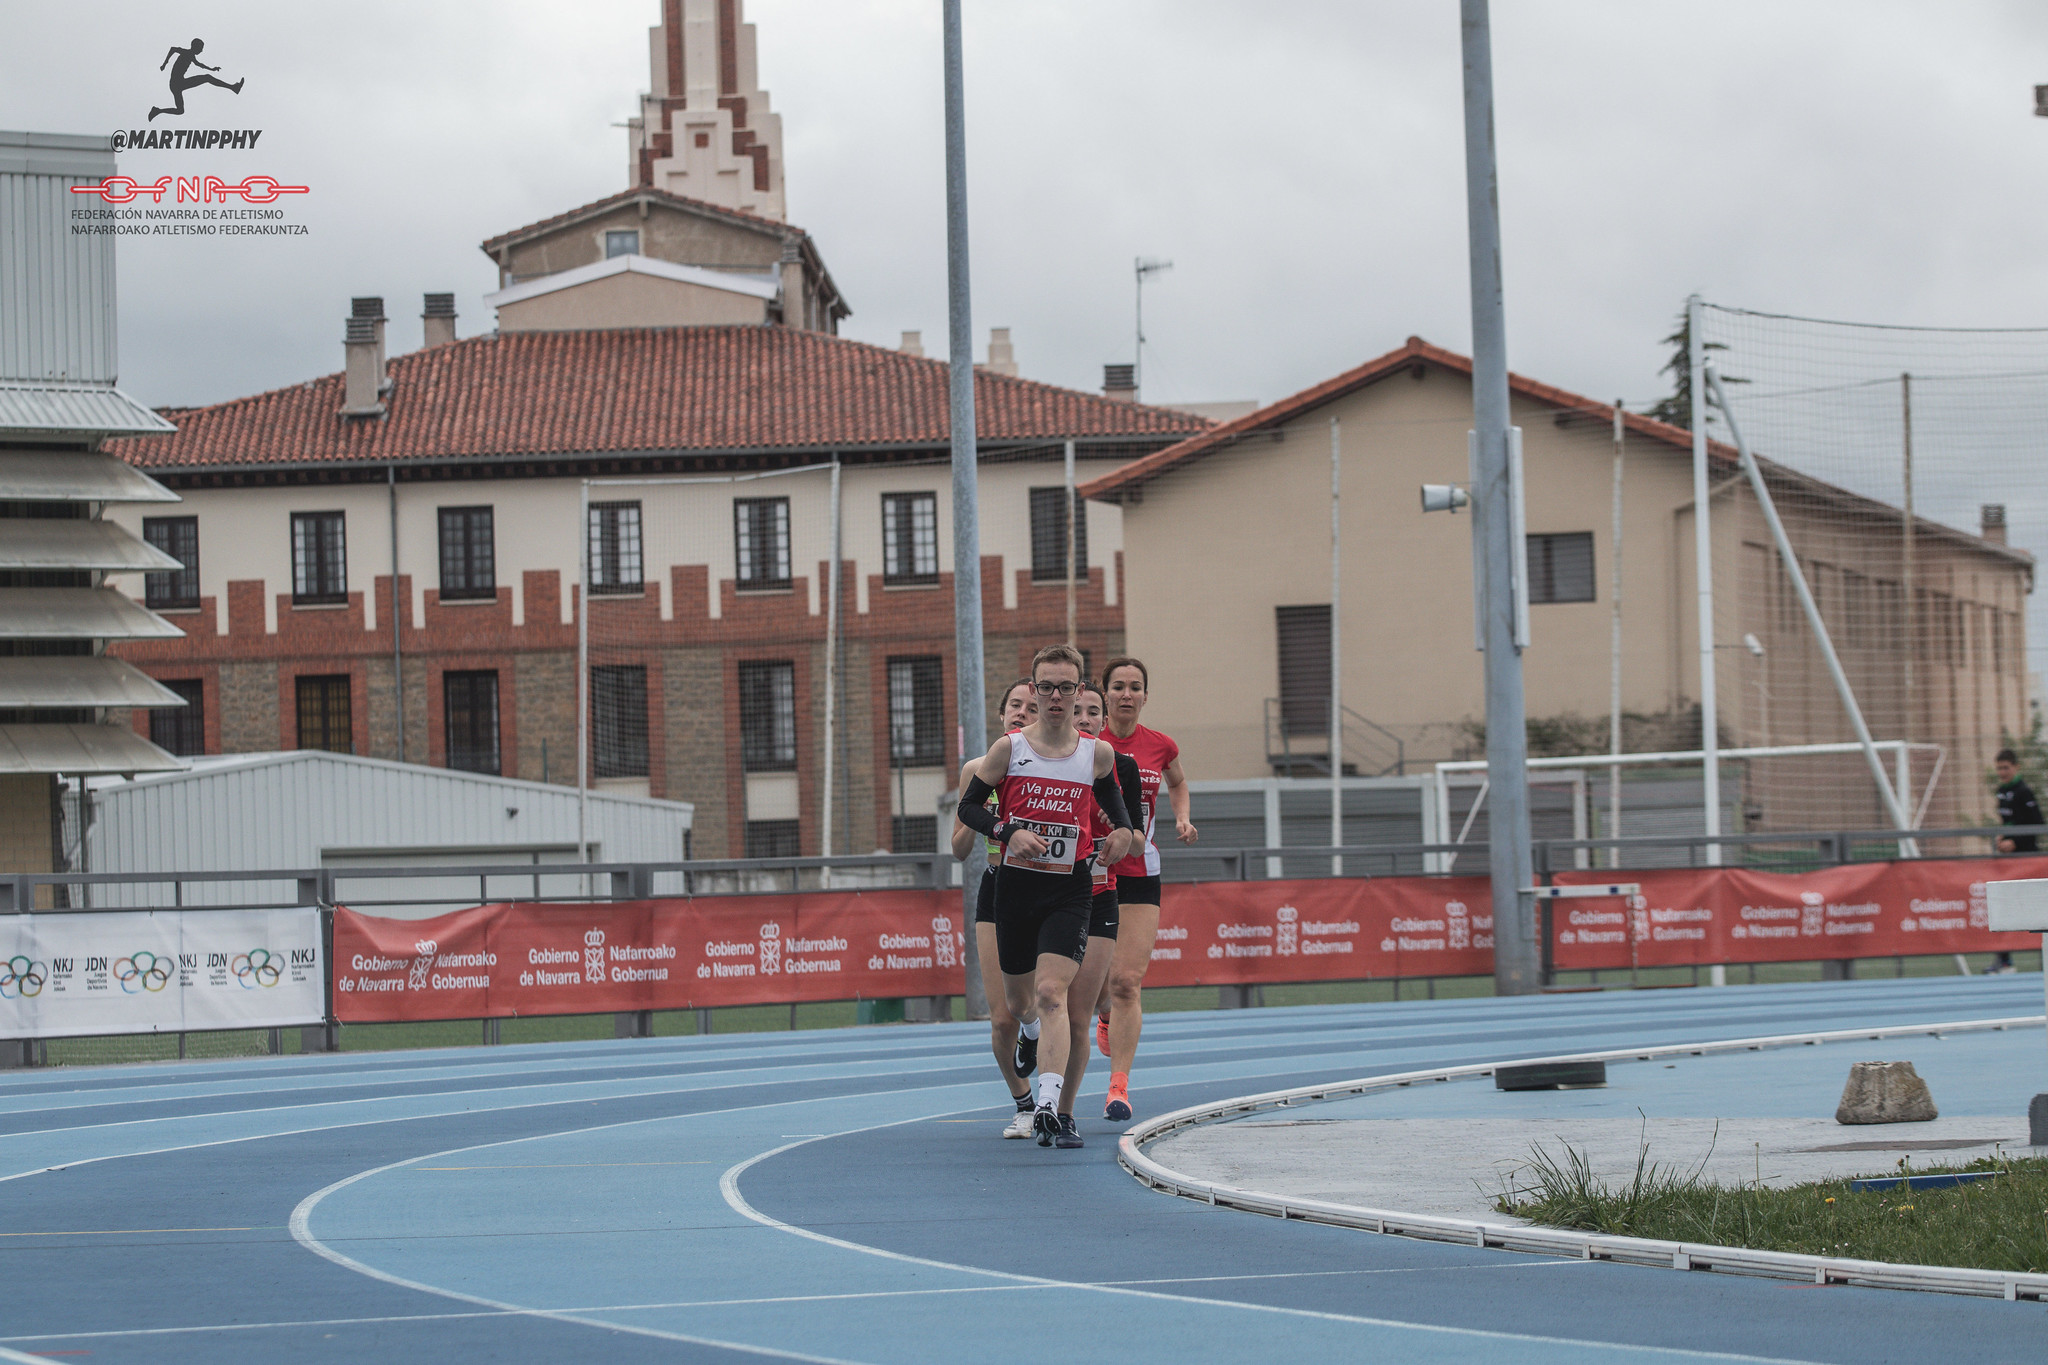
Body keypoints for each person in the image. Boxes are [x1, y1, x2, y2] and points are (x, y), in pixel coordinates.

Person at [956, 644, 1133, 1147]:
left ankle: (1051, 1107)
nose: (1057, 696)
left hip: (1068, 889)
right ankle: (1029, 1036)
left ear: (1079, 693)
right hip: (1014, 890)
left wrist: (1120, 835)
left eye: (1067, 687)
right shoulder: (1009, 750)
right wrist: (1008, 830)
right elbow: (969, 809)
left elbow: (1120, 817)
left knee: (1053, 993)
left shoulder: (1095, 754)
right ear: (1035, 691)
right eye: (1048, 687)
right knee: (1019, 1004)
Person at [1094, 656, 1196, 1123]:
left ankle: (1119, 1087)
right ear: (1105, 693)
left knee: (1126, 982)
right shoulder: (1087, 743)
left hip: (1140, 871)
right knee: (1094, 984)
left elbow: (1176, 780)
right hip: (1090, 871)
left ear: (1146, 696)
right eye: (1119, 687)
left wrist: (1181, 816)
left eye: (1136, 687)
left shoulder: (1160, 745)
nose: (1127, 694)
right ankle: (1103, 1015)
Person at [1046, 681, 1143, 1146]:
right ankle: (1040, 1098)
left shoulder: (1118, 765)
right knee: (1042, 1003)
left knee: (1075, 1012)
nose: (1083, 719)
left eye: (1092, 713)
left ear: (1104, 722)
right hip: (1048, 894)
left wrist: (1117, 830)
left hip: (1101, 891)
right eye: (1077, 711)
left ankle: (1062, 1113)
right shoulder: (1042, 759)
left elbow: (1136, 839)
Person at [948, 678, 1038, 1137]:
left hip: (1047, 888)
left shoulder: (1052, 768)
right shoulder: (978, 769)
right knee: (1001, 1017)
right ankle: (1024, 1103)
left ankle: (1054, 1090)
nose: (1021, 713)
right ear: (1002, 715)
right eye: (1014, 706)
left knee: (1047, 1001)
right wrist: (980, 815)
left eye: (1031, 708)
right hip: (997, 887)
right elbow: (959, 850)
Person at [1991, 747, 2039, 972]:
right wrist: (2002, 838)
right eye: (1999, 768)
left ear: (2016, 767)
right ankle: (2005, 960)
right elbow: (2008, 823)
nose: (2002, 772)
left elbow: (2036, 823)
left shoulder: (2024, 791)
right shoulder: (2001, 791)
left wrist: (2016, 842)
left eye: (2006, 767)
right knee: (2004, 906)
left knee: (2037, 910)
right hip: (2010, 861)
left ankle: (2041, 958)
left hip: (2028, 859)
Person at [150, 40, 245, 122]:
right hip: (177, 83)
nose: (202, 50)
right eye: (201, 48)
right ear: (195, 46)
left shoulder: (191, 56)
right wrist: (165, 63)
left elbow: (199, 65)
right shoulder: (186, 52)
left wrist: (212, 69)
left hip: (176, 84)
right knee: (207, 78)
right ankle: (233, 87)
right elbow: (173, 49)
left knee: (180, 111)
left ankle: (157, 111)